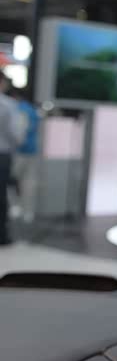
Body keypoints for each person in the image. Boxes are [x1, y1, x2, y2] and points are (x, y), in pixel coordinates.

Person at [0, 74, 24, 244]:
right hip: (2, 154)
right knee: (1, 195)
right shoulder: (8, 104)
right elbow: (15, 134)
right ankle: (2, 235)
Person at [10, 88, 39, 224]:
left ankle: (15, 207)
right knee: (29, 183)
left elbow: (20, 131)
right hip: (32, 150)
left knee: (11, 180)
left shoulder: (18, 109)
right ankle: (28, 211)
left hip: (19, 151)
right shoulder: (32, 110)